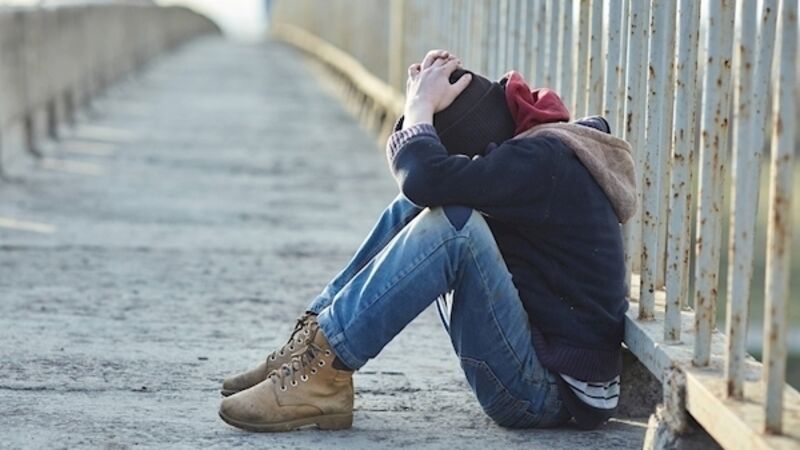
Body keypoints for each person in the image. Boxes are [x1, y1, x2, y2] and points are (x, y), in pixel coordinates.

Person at [218, 49, 636, 432]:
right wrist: (418, 110)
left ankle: (326, 371)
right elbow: (423, 185)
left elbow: (425, 178)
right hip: (535, 358)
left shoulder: (542, 160)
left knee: (455, 227)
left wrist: (420, 108)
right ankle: (312, 346)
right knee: (418, 206)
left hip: (546, 394)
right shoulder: (535, 149)